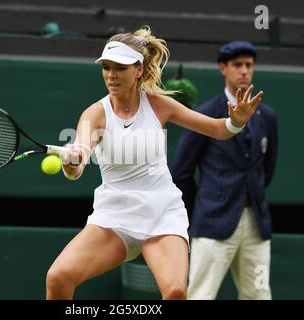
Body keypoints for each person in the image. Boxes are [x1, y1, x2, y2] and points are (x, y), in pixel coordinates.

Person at [46, 28, 263, 300]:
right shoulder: (95, 114)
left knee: (175, 292)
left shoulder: (160, 106)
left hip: (162, 215)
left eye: (120, 68)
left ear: (138, 70)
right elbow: (77, 166)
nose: (111, 75)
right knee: (58, 278)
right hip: (114, 219)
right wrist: (72, 161)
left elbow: (219, 130)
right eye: (107, 68)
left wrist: (237, 121)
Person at [170, 41, 278, 300]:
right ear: (223, 68)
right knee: (200, 295)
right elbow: (180, 171)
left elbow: (268, 169)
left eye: (249, 65)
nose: (244, 71)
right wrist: (204, 207)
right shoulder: (206, 113)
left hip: (256, 224)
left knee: (259, 294)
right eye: (237, 65)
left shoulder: (268, 116)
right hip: (212, 222)